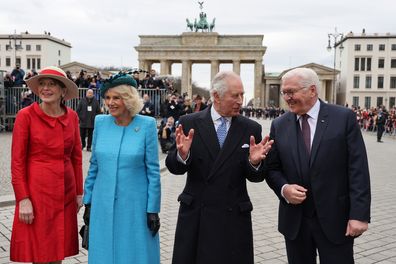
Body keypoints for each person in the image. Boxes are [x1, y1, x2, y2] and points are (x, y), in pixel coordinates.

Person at [165, 71, 273, 264]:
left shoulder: (251, 128)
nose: (241, 101)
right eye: (235, 95)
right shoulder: (190, 122)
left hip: (233, 217)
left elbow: (256, 177)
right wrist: (182, 155)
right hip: (197, 214)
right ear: (216, 96)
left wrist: (254, 163)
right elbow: (174, 167)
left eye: (242, 94)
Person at [265, 67, 371, 264]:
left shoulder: (343, 118)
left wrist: (359, 215)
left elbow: (358, 169)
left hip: (336, 220)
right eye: (284, 92)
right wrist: (284, 188)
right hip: (295, 222)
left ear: (312, 90)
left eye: (291, 92)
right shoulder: (279, 125)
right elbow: (272, 168)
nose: (287, 97)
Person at [82, 73, 161, 264]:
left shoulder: (147, 125)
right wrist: (88, 202)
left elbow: (153, 171)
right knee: (104, 253)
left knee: (134, 253)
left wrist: (153, 209)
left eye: (116, 97)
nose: (111, 103)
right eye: (108, 97)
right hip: (103, 204)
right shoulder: (101, 122)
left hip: (135, 205)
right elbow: (94, 166)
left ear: (129, 98)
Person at [10, 66, 83, 263]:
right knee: (40, 252)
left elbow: (76, 157)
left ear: (63, 91)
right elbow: (17, 162)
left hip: (65, 193)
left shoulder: (73, 117)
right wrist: (22, 199)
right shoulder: (26, 116)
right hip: (37, 193)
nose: (45, 88)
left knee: (58, 250)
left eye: (51, 84)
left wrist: (78, 192)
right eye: (42, 84)